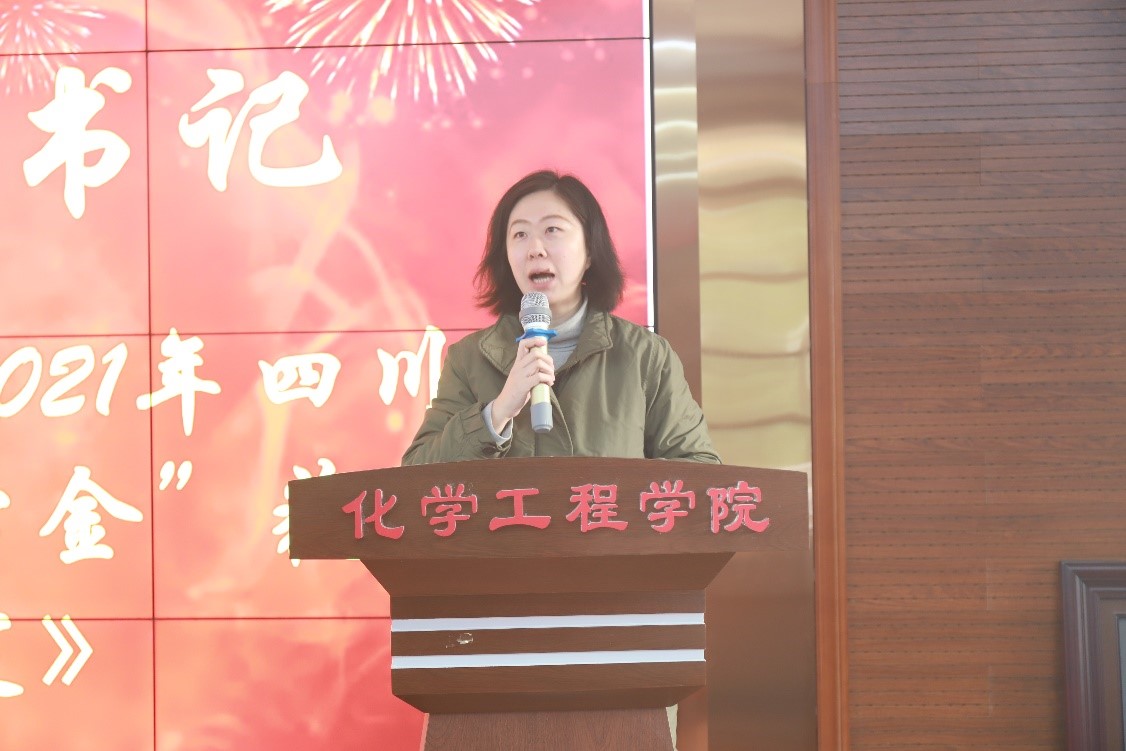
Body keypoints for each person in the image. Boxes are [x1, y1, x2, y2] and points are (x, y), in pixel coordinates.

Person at [401, 169, 720, 465]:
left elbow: (699, 469)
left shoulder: (645, 356)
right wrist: (497, 413)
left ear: (590, 250)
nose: (535, 249)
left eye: (552, 230)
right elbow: (417, 475)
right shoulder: (469, 359)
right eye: (520, 234)